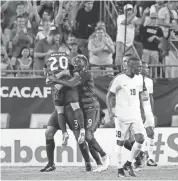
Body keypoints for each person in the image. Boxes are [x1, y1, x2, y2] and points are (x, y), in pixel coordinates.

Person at [48, 54, 110, 172]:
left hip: (91, 107)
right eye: (75, 61)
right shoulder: (76, 74)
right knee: (86, 137)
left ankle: (105, 158)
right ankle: (99, 161)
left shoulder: (86, 73)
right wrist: (58, 77)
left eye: (79, 61)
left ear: (85, 64)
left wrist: (55, 80)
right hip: (85, 109)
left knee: (87, 136)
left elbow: (71, 84)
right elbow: (65, 84)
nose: (76, 63)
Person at [106, 56, 145, 177]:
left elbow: (139, 95)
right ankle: (119, 169)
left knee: (140, 139)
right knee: (120, 143)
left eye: (141, 66)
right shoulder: (119, 79)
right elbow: (109, 95)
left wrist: (142, 111)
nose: (140, 68)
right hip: (121, 117)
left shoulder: (140, 78)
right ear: (130, 66)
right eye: (138, 66)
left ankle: (128, 163)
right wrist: (110, 112)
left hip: (136, 115)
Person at [40, 87, 92, 172]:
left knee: (78, 137)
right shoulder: (55, 91)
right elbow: (60, 113)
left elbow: (77, 109)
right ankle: (51, 164)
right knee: (48, 132)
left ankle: (87, 162)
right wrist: (64, 132)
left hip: (73, 110)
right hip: (60, 111)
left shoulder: (70, 87)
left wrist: (82, 128)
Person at [44, 52, 85, 147]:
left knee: (59, 111)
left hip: (57, 88)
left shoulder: (49, 59)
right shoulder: (70, 59)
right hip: (69, 88)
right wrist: (64, 74)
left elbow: (47, 78)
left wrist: (57, 78)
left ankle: (64, 133)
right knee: (76, 107)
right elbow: (76, 77)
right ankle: (82, 130)